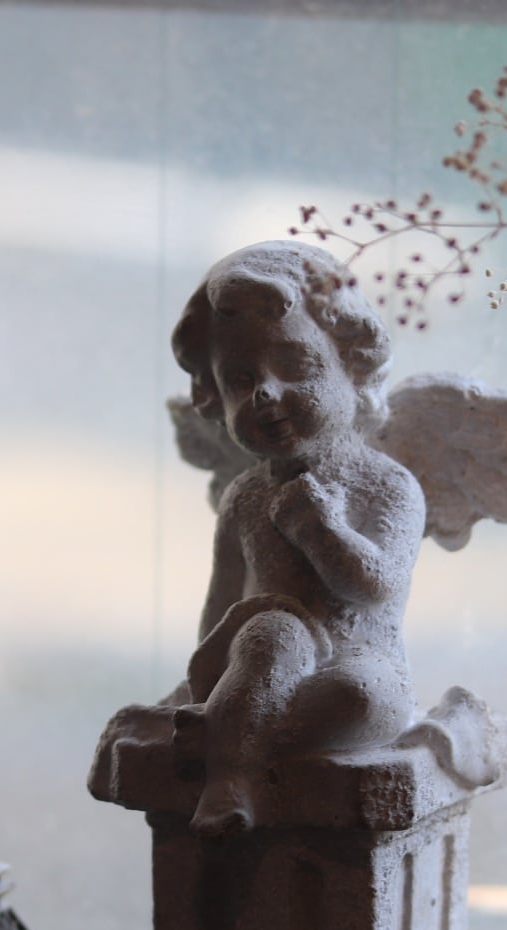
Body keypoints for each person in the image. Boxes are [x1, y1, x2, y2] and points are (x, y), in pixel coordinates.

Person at [170, 241, 424, 837]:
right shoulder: (245, 497)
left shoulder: (387, 484)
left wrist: (322, 530)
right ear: (215, 399)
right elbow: (222, 599)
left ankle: (229, 730)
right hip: (256, 655)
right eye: (239, 380)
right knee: (273, 632)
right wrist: (201, 673)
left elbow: (376, 586)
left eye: (296, 364)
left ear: (353, 368)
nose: (265, 392)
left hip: (359, 661)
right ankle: (230, 776)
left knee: (364, 700)